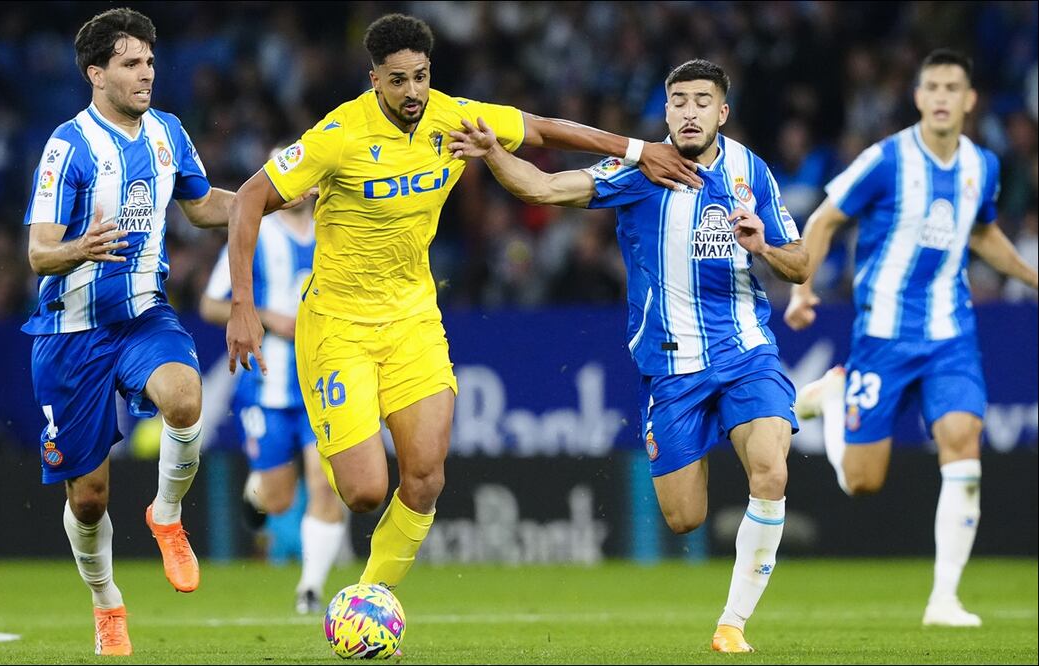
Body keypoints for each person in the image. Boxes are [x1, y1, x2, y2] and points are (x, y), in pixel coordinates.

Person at [225, 13, 702, 598]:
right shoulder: (339, 135)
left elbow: (542, 130)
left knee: (426, 478)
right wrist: (242, 305)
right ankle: (316, 478)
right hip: (338, 326)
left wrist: (638, 149)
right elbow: (248, 199)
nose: (412, 91)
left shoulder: (454, 117)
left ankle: (368, 598)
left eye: (420, 76)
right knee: (365, 492)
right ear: (374, 80)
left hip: (412, 320)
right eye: (397, 80)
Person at [449, 59, 809, 653]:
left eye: (702, 101)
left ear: (722, 112)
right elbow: (542, 188)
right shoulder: (640, 169)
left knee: (770, 470)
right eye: (678, 101)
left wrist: (765, 246)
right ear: (665, 111)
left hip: (746, 350)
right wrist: (492, 154)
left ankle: (731, 625)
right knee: (684, 518)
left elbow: (801, 264)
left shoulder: (752, 172)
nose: (689, 111)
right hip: (671, 368)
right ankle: (803, 406)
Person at [784, 49, 1039, 628]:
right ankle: (831, 398)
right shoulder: (886, 159)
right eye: (933, 88)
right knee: (862, 482)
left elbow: (982, 234)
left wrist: (1032, 278)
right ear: (919, 97)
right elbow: (824, 219)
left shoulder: (982, 165)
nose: (943, 97)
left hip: (951, 332)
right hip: (883, 334)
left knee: (963, 441)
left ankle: (944, 599)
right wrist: (802, 289)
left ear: (970, 100)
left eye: (953, 88)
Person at [22, 8, 234, 656]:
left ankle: (166, 516)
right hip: (70, 334)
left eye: (149, 61)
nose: (147, 73)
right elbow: (38, 252)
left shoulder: (168, 132)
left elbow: (203, 207)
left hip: (143, 315)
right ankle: (106, 601)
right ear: (96, 73)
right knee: (88, 500)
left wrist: (273, 197)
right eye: (130, 63)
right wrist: (78, 249)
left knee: (185, 398)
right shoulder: (68, 146)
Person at [200, 161, 346, 615]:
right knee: (278, 499)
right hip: (267, 386)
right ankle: (259, 489)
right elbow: (209, 305)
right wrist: (267, 317)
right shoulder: (254, 231)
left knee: (326, 482)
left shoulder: (337, 227)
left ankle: (310, 589)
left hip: (326, 380)